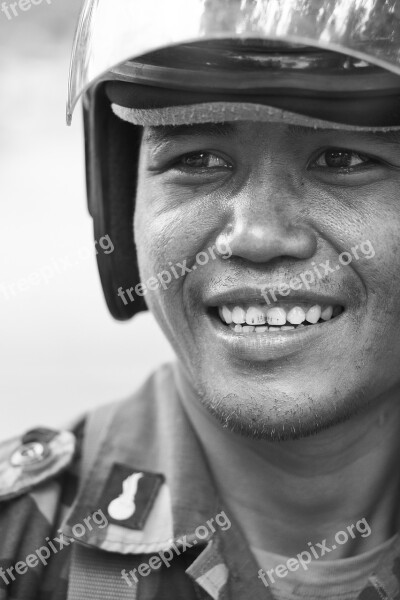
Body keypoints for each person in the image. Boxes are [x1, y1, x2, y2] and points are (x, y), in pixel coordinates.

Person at [2, 0, 400, 598]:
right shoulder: (20, 548)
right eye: (199, 160)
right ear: (122, 203)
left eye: (343, 159)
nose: (258, 237)